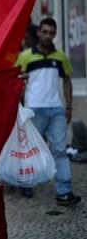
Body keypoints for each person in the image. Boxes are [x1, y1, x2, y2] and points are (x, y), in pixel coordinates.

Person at [16, 17, 81, 206]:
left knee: (59, 150)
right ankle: (27, 182)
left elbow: (67, 81)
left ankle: (64, 191)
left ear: (55, 34)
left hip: (56, 111)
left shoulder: (60, 56)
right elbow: (16, 80)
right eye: (44, 32)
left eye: (51, 33)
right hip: (33, 110)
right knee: (31, 149)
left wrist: (68, 107)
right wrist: (22, 80)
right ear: (38, 33)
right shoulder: (26, 55)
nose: (47, 36)